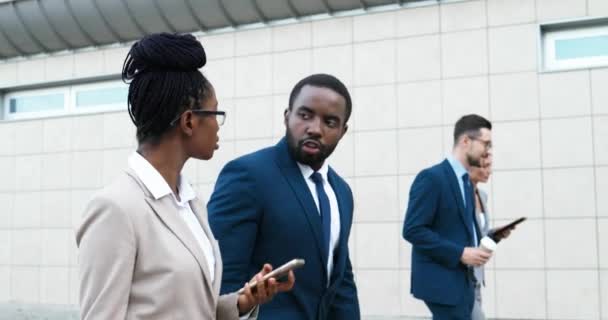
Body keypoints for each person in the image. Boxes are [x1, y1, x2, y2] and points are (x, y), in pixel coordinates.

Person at [76, 33, 294, 320]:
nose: (218, 125)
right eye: (215, 113)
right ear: (189, 121)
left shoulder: (191, 204)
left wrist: (241, 301)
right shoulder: (115, 208)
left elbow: (191, 308)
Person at [207, 74, 360, 320]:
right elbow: (220, 279)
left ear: (343, 131)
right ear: (287, 116)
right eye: (305, 115)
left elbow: (340, 281)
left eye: (330, 122)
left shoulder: (342, 192)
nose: (315, 129)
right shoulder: (247, 175)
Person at [402, 114, 493, 319]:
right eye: (485, 144)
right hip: (442, 284)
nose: (488, 151)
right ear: (465, 141)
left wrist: (487, 242)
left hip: (464, 282)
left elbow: (462, 229)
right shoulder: (432, 178)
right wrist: (460, 253)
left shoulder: (467, 182)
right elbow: (413, 230)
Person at [469, 154, 512, 320]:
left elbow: (478, 233)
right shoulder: (461, 197)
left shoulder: (482, 195)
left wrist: (495, 234)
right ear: (471, 167)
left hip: (477, 274)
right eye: (485, 166)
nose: (489, 171)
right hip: (461, 273)